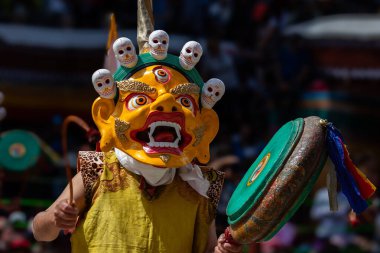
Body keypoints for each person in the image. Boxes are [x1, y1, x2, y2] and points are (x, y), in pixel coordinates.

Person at [31, 16, 242, 252]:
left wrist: (221, 251)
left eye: (184, 101)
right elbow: (41, 231)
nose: (166, 104)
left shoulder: (199, 187)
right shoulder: (98, 170)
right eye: (141, 99)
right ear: (107, 115)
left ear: (205, 125)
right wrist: (55, 219)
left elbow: (206, 248)